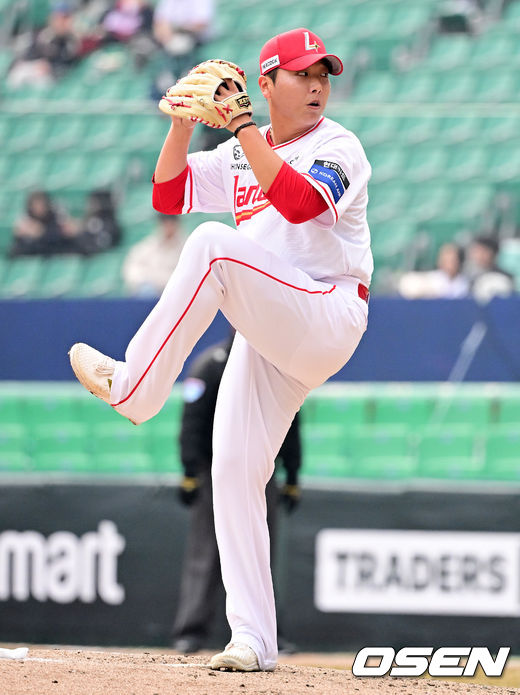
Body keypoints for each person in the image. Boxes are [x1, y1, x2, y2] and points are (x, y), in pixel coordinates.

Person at [69, 27, 372, 672]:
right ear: (267, 83)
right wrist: (182, 125)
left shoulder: (338, 146)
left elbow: (298, 204)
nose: (317, 84)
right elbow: (168, 193)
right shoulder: (241, 151)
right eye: (301, 73)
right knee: (232, 470)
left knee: (212, 246)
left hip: (328, 312)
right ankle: (254, 639)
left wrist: (240, 127)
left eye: (323, 74)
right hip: (272, 332)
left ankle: (133, 388)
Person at [172, 335, 301, 655]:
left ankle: (268, 634)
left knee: (260, 552)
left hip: (261, 472)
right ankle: (191, 631)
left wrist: (292, 474)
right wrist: (190, 471)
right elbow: (192, 420)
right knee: (205, 553)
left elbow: (291, 420)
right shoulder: (210, 365)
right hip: (213, 472)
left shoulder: (274, 364)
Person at [7, 2, 81, 88]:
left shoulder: (71, 41)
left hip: (52, 77)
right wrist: (37, 64)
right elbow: (25, 57)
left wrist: (50, 67)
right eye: (59, 18)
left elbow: (67, 62)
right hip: (30, 69)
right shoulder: (43, 35)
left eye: (65, 18)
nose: (62, 22)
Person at [122, 213, 187, 296]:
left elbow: (184, 277)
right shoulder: (147, 247)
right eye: (164, 222)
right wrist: (150, 280)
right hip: (151, 291)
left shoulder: (186, 247)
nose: (168, 226)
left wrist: (159, 280)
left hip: (174, 292)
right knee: (146, 291)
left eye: (171, 222)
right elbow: (132, 271)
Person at [9, 190, 79, 257]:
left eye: (41, 204)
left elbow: (59, 238)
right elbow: (14, 251)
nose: (38, 208)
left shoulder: (56, 218)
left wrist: (41, 232)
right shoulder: (27, 222)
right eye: (35, 205)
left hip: (55, 254)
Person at [398, 242, 469, 298]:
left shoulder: (464, 283)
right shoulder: (432, 280)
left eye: (452, 260)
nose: (449, 264)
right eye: (446, 260)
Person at [465, 235, 514, 302]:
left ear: (492, 253)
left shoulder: (505, 277)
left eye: (482, 251)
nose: (478, 255)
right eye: (476, 251)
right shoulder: (469, 277)